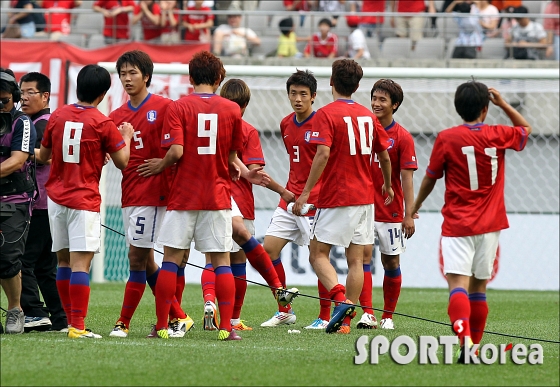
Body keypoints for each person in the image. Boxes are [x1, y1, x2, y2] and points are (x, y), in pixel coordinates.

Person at [136, 51, 256, 341]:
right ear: (218, 78)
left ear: (190, 78)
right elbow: (231, 156)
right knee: (221, 261)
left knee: (170, 261)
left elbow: (175, 151)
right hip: (217, 195)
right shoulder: (231, 110)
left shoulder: (178, 107)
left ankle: (162, 326)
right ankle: (227, 329)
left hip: (184, 195)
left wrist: (160, 164)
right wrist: (233, 169)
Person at [411, 81, 531, 362]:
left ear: (457, 107)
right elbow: (526, 130)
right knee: (479, 288)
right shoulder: (497, 133)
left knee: (458, 287)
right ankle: (473, 346)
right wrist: (503, 104)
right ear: (485, 109)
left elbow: (431, 177)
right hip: (490, 225)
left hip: (457, 225)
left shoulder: (447, 138)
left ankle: (465, 341)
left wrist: (413, 207)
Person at [292, 59, 394, 334]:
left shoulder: (326, 114)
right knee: (357, 260)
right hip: (365, 198)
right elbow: (383, 155)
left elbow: (322, 154)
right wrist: (387, 185)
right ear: (358, 86)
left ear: (330, 82)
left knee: (317, 254)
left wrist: (304, 193)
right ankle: (346, 321)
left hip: (338, 195)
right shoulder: (367, 115)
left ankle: (339, 300)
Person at [38, 64, 133, 339]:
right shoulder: (102, 123)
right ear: (103, 94)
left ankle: (70, 322)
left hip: (56, 198)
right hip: (83, 199)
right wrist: (125, 136)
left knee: (64, 262)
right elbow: (123, 162)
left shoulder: (58, 115)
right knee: (81, 264)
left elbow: (44, 156)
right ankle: (78, 326)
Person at [200, 78, 298, 332]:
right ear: (244, 106)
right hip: (240, 204)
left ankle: (209, 301)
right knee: (238, 263)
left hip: (209, 198)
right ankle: (233, 319)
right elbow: (257, 173)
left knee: (212, 259)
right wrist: (283, 191)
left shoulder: (208, 126)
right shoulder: (246, 130)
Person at [108, 50, 194, 339]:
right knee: (145, 260)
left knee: (140, 258)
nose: (127, 79)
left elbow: (179, 150)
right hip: (130, 194)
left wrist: (162, 165)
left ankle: (124, 322)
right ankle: (179, 317)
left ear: (146, 76)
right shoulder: (116, 116)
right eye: (122, 74)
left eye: (132, 73)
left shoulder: (166, 107)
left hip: (158, 194)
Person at [260, 69, 325, 329]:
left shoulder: (323, 123)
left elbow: (324, 162)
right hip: (289, 199)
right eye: (293, 93)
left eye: (303, 94)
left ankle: (325, 315)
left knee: (319, 257)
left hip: (314, 202)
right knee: (269, 249)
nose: (297, 99)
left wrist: (310, 194)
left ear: (313, 97)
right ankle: (284, 309)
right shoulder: (286, 123)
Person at [356, 79, 417, 331]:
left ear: (395, 105)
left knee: (391, 263)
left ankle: (388, 316)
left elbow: (407, 178)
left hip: (390, 211)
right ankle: (368, 314)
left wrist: (409, 214)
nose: (376, 103)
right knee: (363, 259)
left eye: (382, 100)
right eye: (374, 98)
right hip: (361, 207)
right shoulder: (361, 130)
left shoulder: (402, 137)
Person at [19, 72, 67, 333]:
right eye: (21, 92)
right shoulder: (49, 121)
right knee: (45, 268)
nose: (23, 98)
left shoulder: (40, 124)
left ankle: (35, 313)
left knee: (21, 261)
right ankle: (61, 319)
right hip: (51, 204)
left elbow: (44, 158)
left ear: (45, 95)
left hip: (38, 204)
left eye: (30, 92)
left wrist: (16, 151)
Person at [0, 68, 37, 335]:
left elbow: (18, 159)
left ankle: (16, 309)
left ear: (13, 97)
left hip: (14, 197)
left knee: (8, 258)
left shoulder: (22, 122)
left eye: (4, 101)